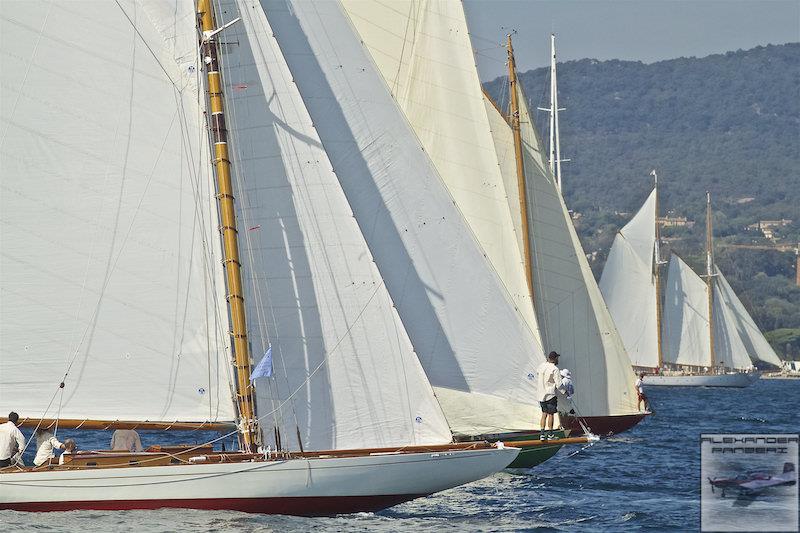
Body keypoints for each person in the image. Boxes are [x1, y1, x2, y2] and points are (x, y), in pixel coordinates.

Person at [536, 351, 563, 435]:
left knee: (544, 414)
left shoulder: (541, 366)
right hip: (550, 395)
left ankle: (542, 434)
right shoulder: (555, 369)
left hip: (541, 395)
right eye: (557, 358)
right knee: (551, 414)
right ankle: (551, 434)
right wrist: (564, 392)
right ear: (555, 359)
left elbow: (537, 372)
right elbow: (559, 384)